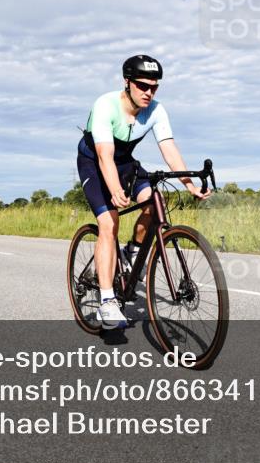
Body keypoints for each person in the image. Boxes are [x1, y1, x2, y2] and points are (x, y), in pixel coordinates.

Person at [77, 55, 210, 329]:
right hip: (94, 162)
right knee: (109, 223)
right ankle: (107, 301)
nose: (149, 92)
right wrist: (115, 189)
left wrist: (189, 184)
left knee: (153, 202)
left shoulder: (156, 110)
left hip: (125, 163)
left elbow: (169, 149)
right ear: (127, 82)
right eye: (143, 86)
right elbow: (104, 156)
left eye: (154, 87)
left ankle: (133, 251)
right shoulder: (106, 105)